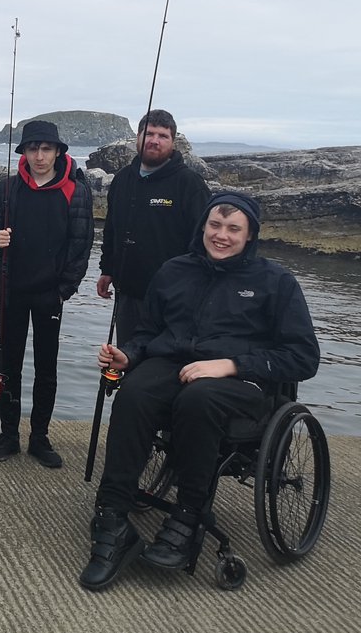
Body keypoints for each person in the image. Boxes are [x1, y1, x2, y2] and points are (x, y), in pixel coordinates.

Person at [79, 192, 320, 590]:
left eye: (232, 229)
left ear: (250, 235)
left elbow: (303, 357)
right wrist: (129, 355)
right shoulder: (174, 270)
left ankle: (188, 515)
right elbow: (148, 333)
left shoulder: (276, 282)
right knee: (134, 391)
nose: (221, 235)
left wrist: (231, 365)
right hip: (173, 364)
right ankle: (112, 515)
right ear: (202, 226)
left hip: (242, 381)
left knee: (199, 398)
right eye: (214, 225)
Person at [0, 119, 93, 468]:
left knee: (46, 367)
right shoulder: (7, 189)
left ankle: (39, 437)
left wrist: (64, 290)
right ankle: (8, 435)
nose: (39, 156)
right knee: (7, 363)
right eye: (32, 149)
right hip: (11, 290)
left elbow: (81, 245)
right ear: (24, 153)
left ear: (58, 151)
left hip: (51, 296)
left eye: (46, 149)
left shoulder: (75, 190)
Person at [96, 109, 209, 343]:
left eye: (162, 136)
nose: (154, 141)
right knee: (125, 360)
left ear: (172, 142)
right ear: (137, 137)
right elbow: (112, 229)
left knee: (162, 366)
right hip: (128, 291)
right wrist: (107, 269)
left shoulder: (189, 183)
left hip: (173, 296)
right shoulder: (122, 179)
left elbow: (203, 240)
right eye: (149, 134)